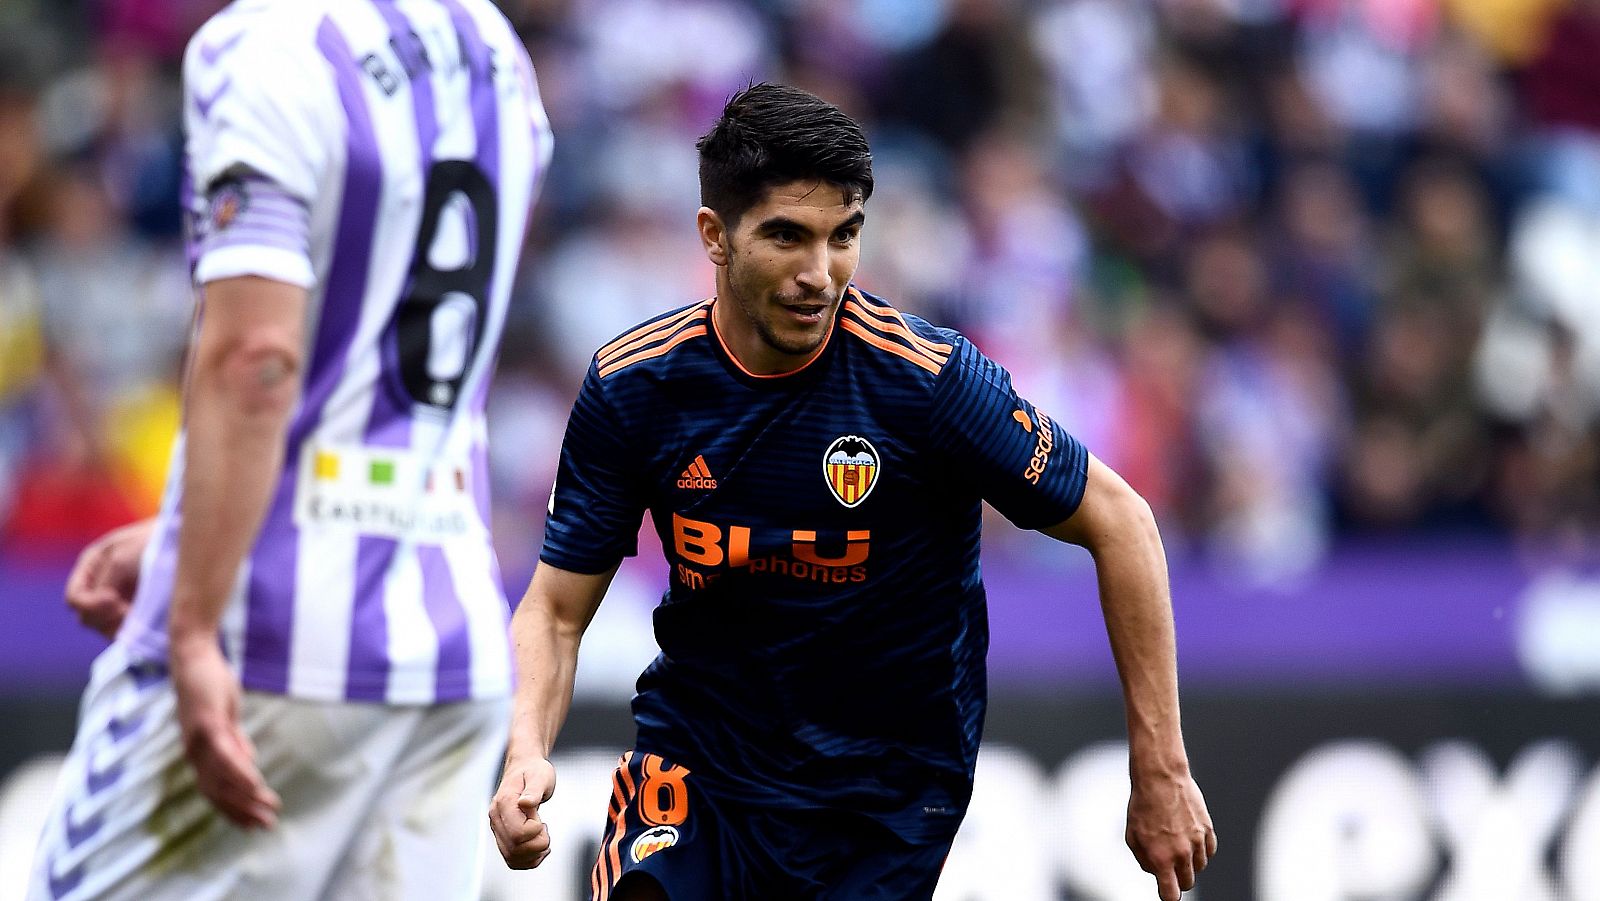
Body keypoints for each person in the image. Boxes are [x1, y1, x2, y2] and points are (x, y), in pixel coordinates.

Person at [488, 82, 1215, 901]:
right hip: (700, 767)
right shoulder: (635, 387)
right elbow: (554, 608)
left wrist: (1160, 769)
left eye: (844, 236)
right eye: (787, 237)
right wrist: (525, 751)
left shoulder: (927, 382)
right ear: (714, 237)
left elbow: (1124, 522)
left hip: (885, 798)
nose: (819, 273)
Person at [31, 1, 552, 898]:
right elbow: (388, 359)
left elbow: (255, 360)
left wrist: (192, 620)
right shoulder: (493, 50)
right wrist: (191, 529)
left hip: (268, 643)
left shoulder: (262, 44)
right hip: (450, 639)